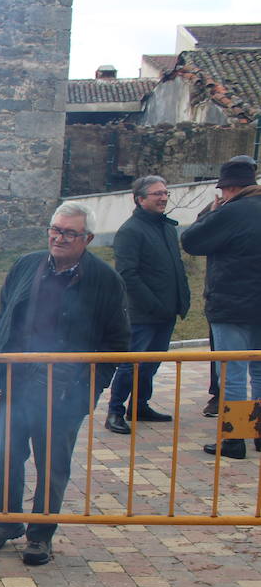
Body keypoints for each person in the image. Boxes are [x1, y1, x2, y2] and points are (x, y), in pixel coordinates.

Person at [0, 202, 129, 566]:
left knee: (52, 464)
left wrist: (90, 389)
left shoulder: (105, 280)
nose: (59, 238)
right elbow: (5, 314)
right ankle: (7, 521)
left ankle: (41, 534)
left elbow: (117, 344)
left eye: (69, 233)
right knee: (8, 456)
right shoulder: (27, 265)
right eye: (55, 230)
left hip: (64, 391)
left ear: (87, 238)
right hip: (18, 381)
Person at [180, 156, 261, 459]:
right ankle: (259, 434)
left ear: (228, 188)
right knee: (260, 371)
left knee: (233, 372)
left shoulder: (232, 211)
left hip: (232, 307)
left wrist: (209, 214)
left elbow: (191, 241)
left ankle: (236, 438)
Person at [104, 176, 189, 435]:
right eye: (156, 194)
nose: (163, 197)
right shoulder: (130, 231)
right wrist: (154, 305)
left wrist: (180, 299)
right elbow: (128, 275)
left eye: (165, 193)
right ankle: (115, 411)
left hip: (167, 311)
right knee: (132, 363)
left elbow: (175, 267)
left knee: (152, 362)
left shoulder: (166, 228)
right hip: (143, 313)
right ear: (140, 200)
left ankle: (139, 405)